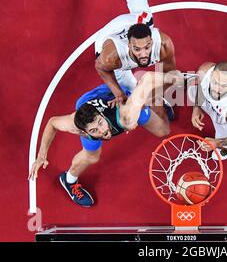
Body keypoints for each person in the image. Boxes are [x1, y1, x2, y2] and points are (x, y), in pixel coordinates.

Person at [28, 71, 177, 207]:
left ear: (101, 115)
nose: (103, 131)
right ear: (83, 132)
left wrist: (143, 104)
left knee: (162, 130)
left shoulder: (125, 115)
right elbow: (52, 122)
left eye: (100, 123)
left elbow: (148, 80)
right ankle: (69, 180)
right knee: (91, 156)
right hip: (87, 109)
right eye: (94, 131)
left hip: (119, 97)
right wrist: (42, 155)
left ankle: (154, 102)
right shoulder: (77, 126)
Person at [95, 0, 177, 107]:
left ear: (152, 40)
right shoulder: (111, 57)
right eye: (137, 50)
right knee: (128, 86)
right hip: (109, 36)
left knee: (139, 5)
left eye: (147, 47)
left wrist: (157, 96)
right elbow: (100, 68)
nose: (144, 54)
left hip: (138, 21)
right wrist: (118, 94)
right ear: (129, 45)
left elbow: (168, 74)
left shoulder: (164, 44)